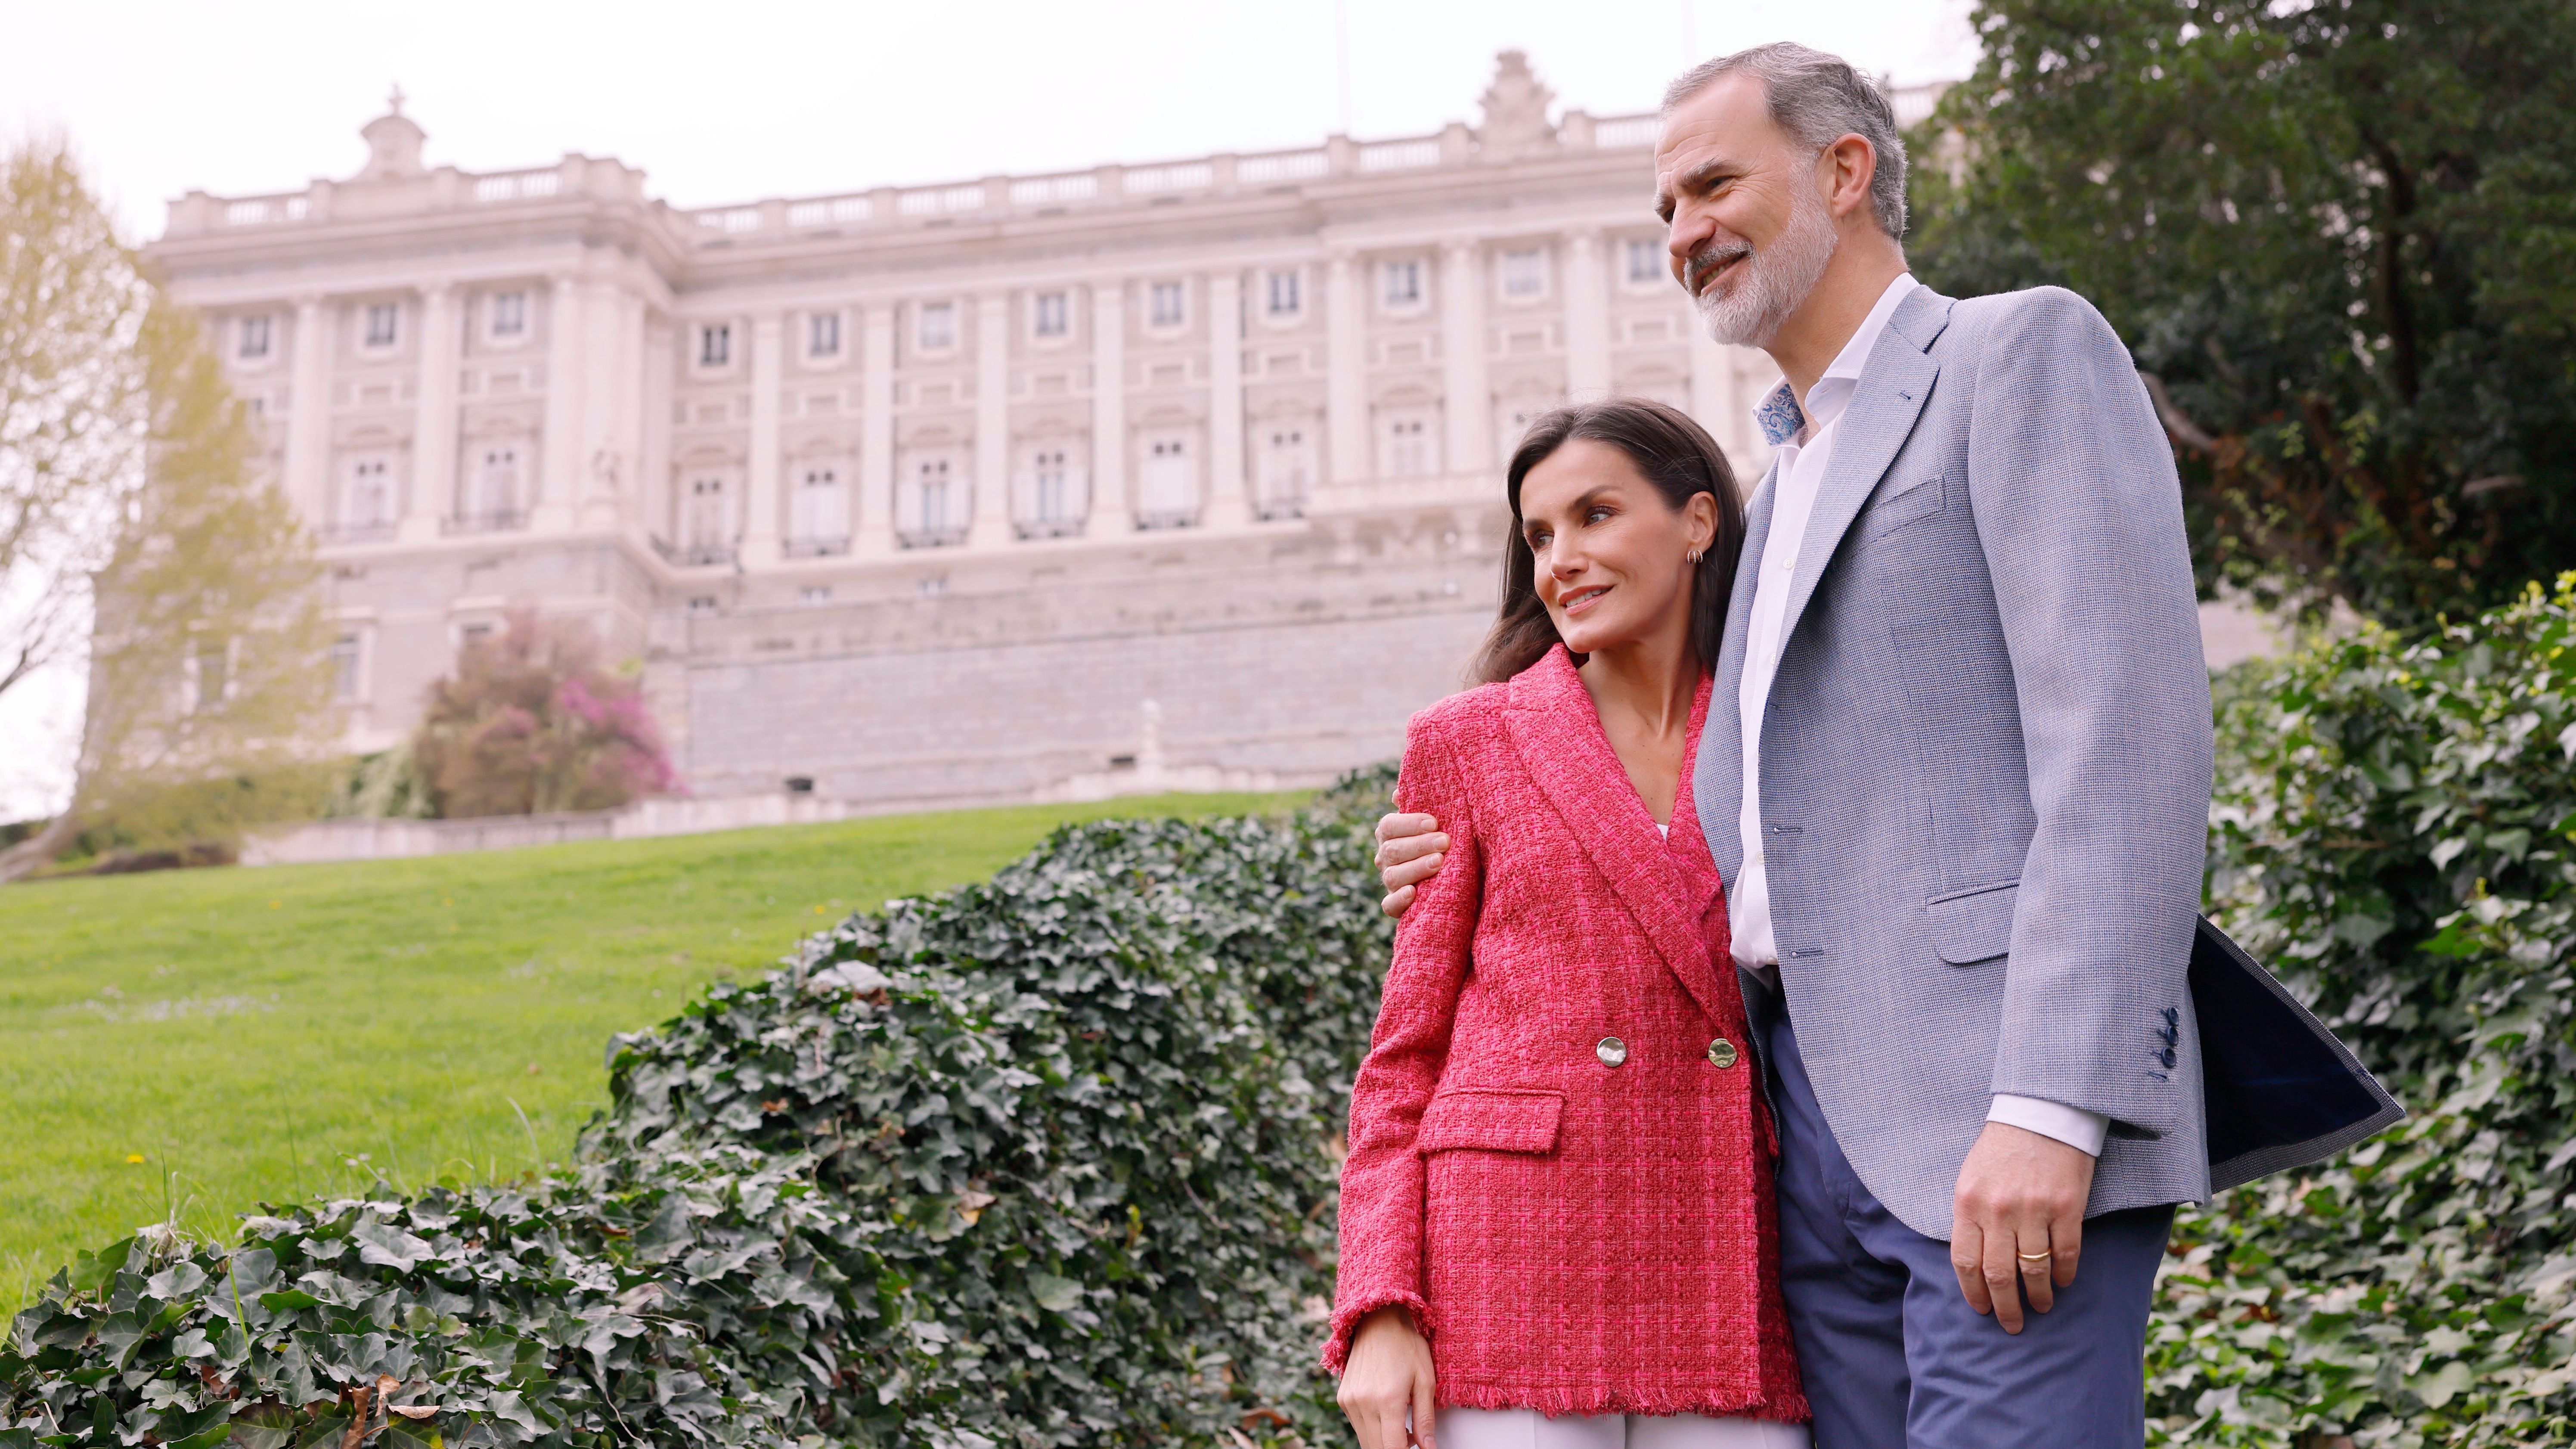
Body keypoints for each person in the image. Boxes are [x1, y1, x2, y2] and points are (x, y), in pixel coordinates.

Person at [1372, 41, 2224, 1448]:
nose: (1681, 231)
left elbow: (2123, 756)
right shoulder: (1771, 491)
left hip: (1983, 1099)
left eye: (1712, 184)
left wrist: (2049, 1102)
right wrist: (1452, 842)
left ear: (1843, 170)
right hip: (1793, 1141)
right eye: (1662, 209)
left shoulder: (2015, 354)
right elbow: (1708, 799)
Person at [1328, 397, 1810, 1449]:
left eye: (1595, 515)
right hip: (1504, 1263)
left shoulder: (1785, 722)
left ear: (1697, 523)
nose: (1563, 560)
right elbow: (1402, 1059)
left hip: (1728, 1248)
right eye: (1539, 536)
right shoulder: (1466, 742)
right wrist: (1377, 1307)